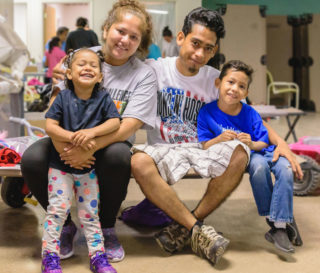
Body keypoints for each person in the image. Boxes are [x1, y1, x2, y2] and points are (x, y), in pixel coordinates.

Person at [130, 7, 303, 266]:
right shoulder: (153, 70)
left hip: (204, 150)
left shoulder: (216, 79)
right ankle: (194, 228)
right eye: (195, 43)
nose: (200, 54)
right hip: (165, 149)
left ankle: (186, 226)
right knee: (137, 161)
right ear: (181, 38)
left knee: (240, 151)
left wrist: (283, 145)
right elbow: (115, 70)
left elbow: (251, 116)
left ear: (214, 51)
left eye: (209, 49)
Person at [21, 0, 156, 264]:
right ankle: (66, 226)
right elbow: (54, 108)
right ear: (106, 29)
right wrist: (66, 149)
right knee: (32, 158)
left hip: (109, 143)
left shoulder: (144, 74)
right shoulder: (81, 57)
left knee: (118, 157)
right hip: (67, 140)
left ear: (140, 43)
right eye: (120, 30)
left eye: (133, 37)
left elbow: (127, 125)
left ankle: (106, 227)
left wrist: (90, 146)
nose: (124, 40)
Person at [197, 60, 301, 253]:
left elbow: (264, 141)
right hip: (250, 159)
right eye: (230, 82)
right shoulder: (207, 113)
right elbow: (205, 145)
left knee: (286, 170)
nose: (234, 89)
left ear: (246, 93)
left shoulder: (250, 113)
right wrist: (220, 138)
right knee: (259, 168)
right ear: (218, 83)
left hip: (262, 151)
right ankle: (278, 222)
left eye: (241, 86)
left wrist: (251, 143)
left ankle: (278, 226)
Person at [42, 48, 121, 273]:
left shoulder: (103, 98)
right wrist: (72, 137)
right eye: (81, 64)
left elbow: (114, 123)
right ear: (68, 73)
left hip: (88, 168)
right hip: (60, 167)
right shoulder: (63, 97)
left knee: (90, 214)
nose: (87, 68)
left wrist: (91, 133)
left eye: (93, 66)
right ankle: (49, 256)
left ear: (100, 76)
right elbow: (50, 126)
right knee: (57, 210)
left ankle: (98, 256)